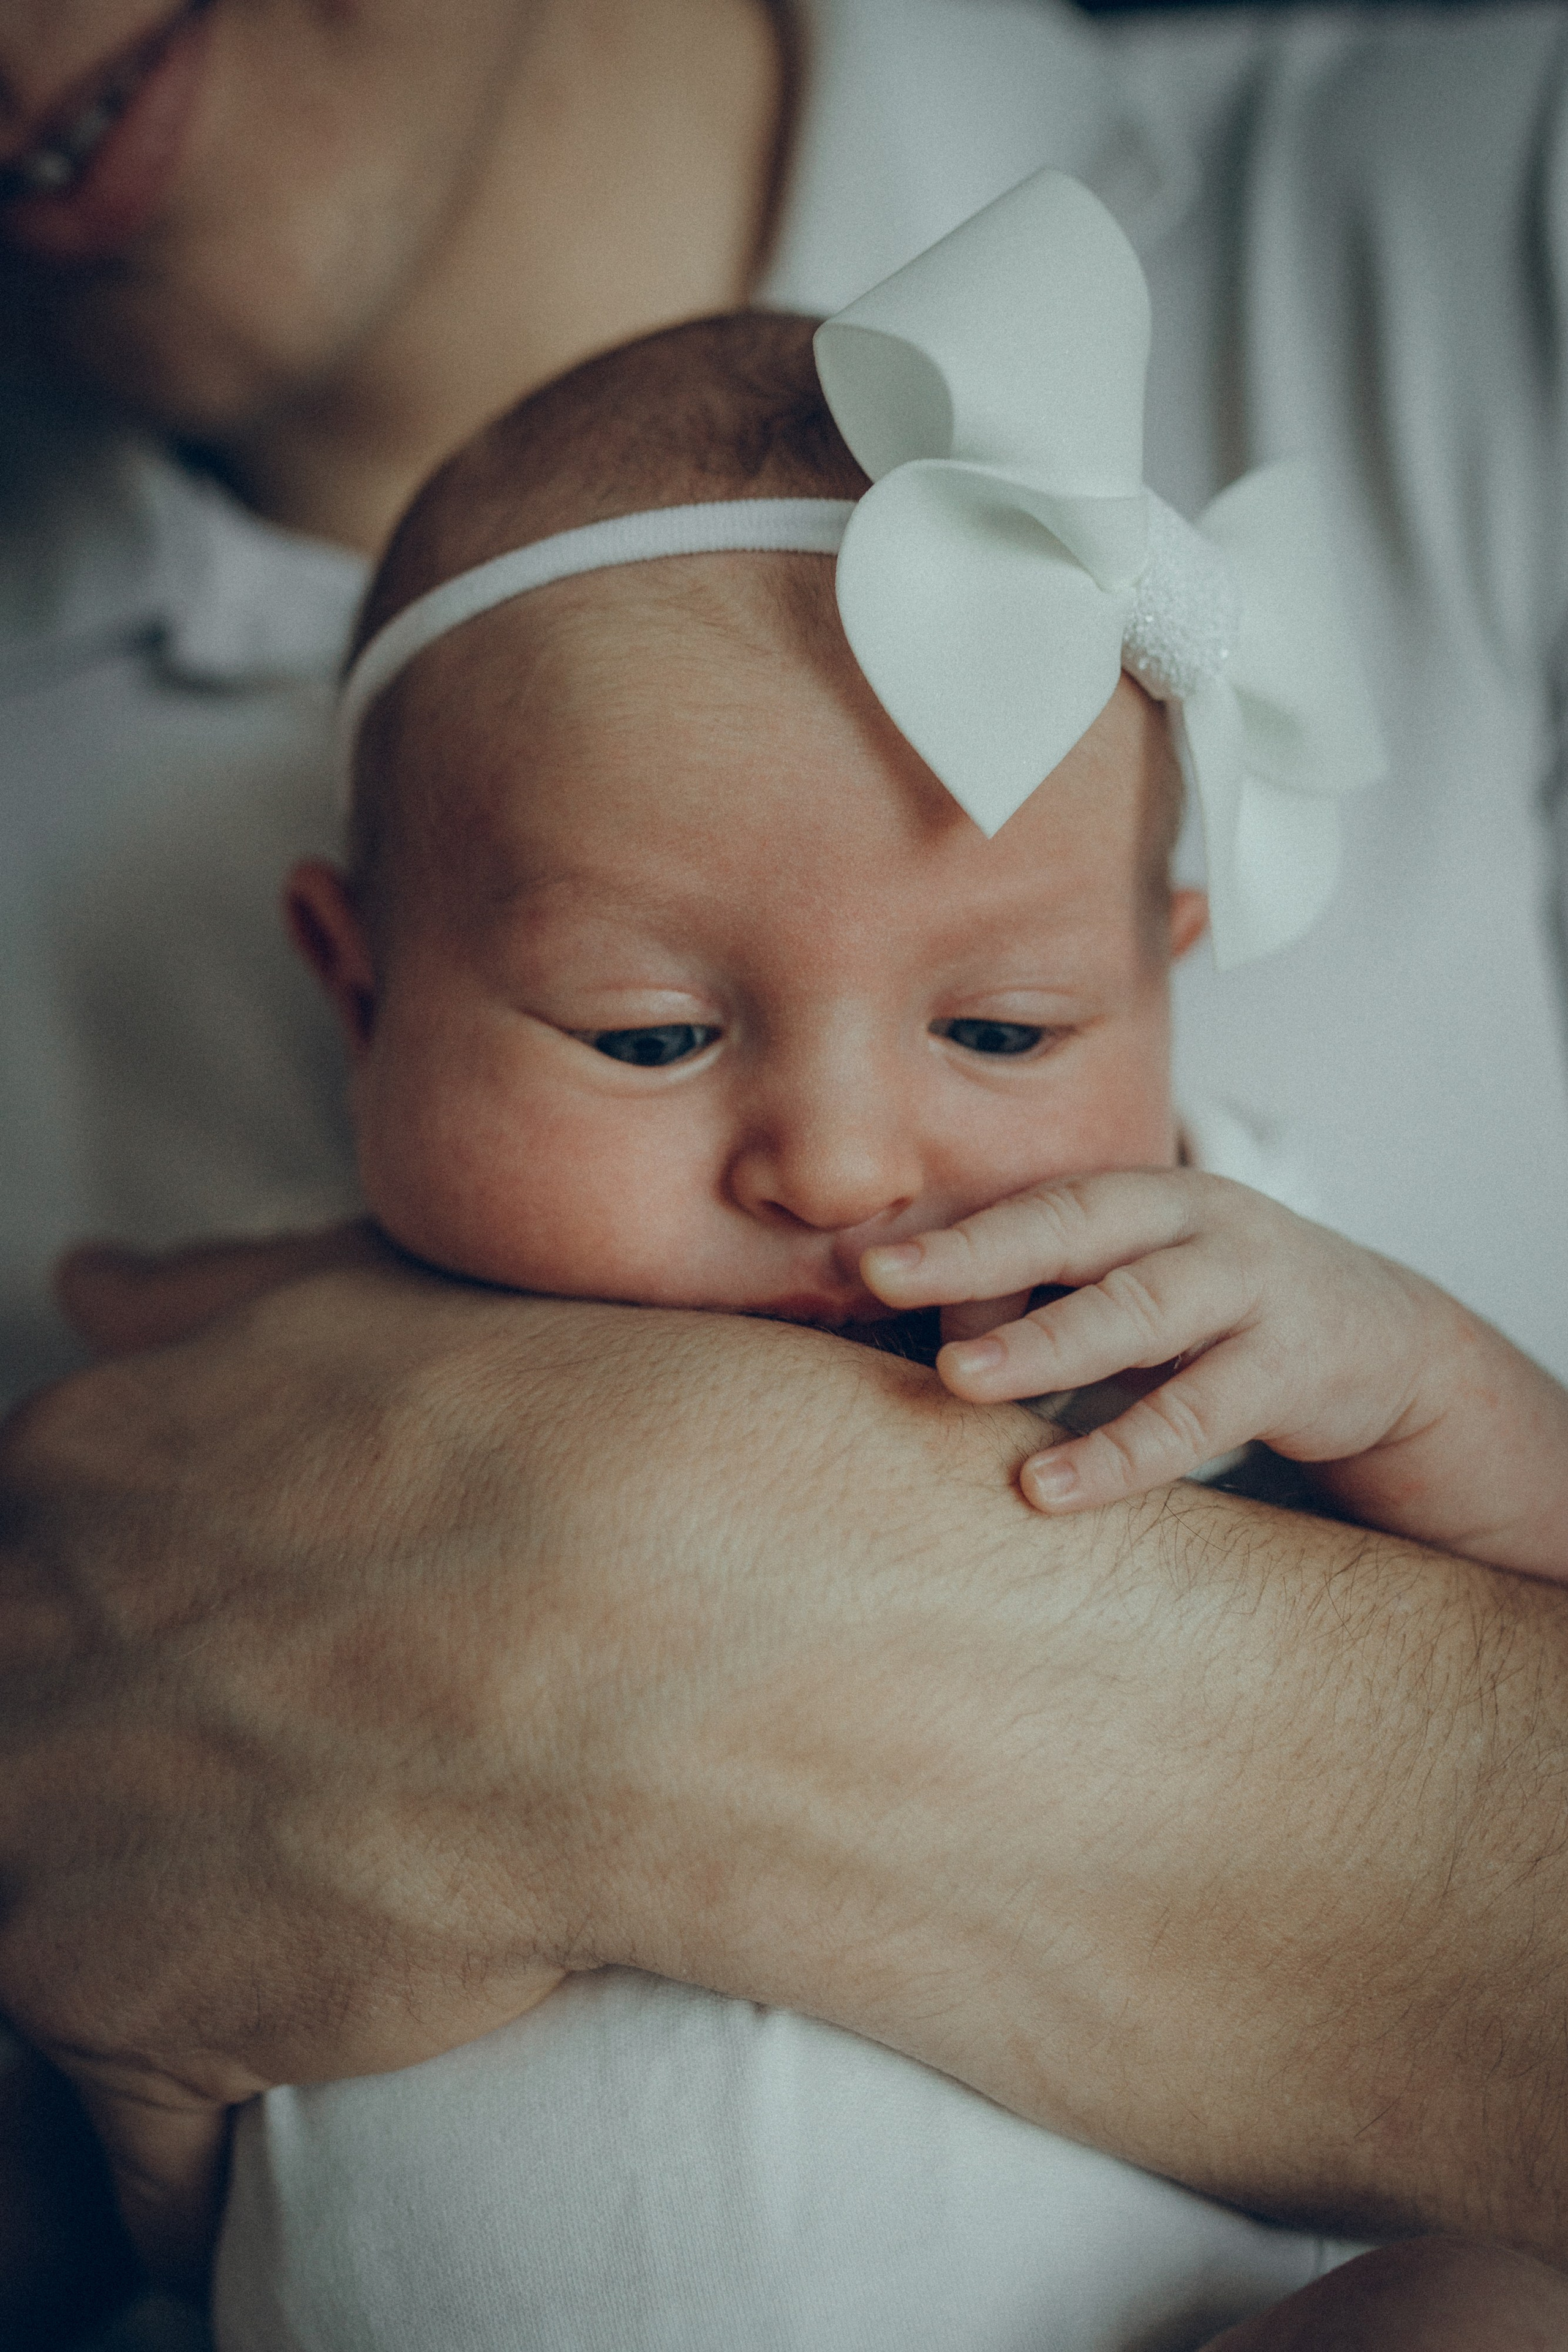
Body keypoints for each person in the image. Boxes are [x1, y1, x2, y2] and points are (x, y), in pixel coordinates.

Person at [4, 1, 1568, 2344]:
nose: (840, 1157)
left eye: (1010, 1031)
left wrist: (1429, 1381)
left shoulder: (1198, 1299)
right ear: (354, 992)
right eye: (644, 1035)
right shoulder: (212, 1429)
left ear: (1172, 970)